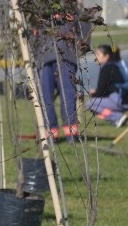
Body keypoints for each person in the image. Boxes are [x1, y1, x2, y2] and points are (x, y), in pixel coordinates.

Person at [33, 12, 91, 141]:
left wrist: (74, 19)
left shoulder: (72, 8)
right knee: (45, 98)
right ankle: (50, 134)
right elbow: (32, 36)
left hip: (66, 59)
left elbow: (85, 29)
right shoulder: (39, 10)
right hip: (44, 59)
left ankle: (71, 134)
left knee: (68, 96)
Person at [87, 45, 128, 128]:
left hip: (120, 100)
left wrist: (93, 95)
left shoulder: (106, 68)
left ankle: (117, 117)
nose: (95, 57)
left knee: (90, 104)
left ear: (106, 56)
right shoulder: (115, 65)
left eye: (98, 54)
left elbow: (101, 91)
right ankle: (117, 119)